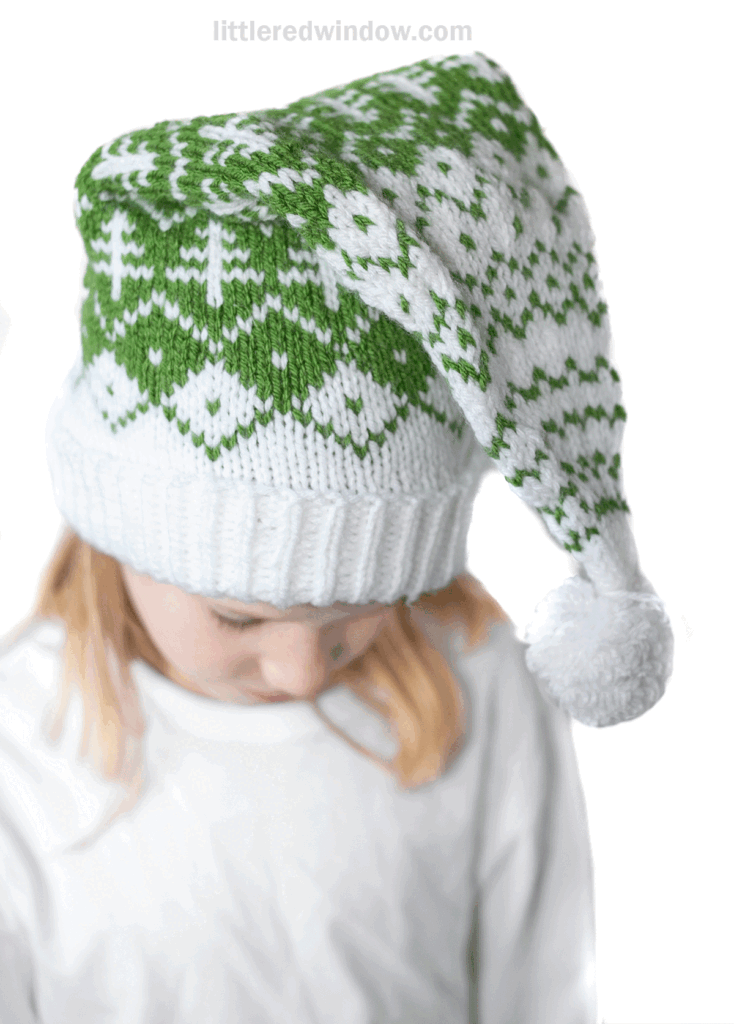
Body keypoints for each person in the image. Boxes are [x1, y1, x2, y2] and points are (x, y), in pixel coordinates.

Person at [0, 51, 672, 1023]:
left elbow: (545, 992)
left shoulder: (481, 686)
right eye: (239, 616)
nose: (305, 672)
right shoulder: (20, 749)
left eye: (357, 613)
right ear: (120, 530)